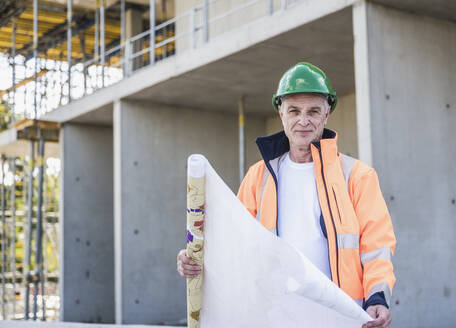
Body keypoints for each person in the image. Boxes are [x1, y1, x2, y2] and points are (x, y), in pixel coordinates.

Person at [177, 62, 396, 328]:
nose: (303, 120)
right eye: (294, 111)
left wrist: (377, 297)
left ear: (327, 114)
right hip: (275, 316)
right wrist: (195, 258)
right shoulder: (258, 177)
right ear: (281, 113)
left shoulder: (358, 176)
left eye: (313, 111)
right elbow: (232, 244)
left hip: (341, 317)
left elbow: (377, 248)